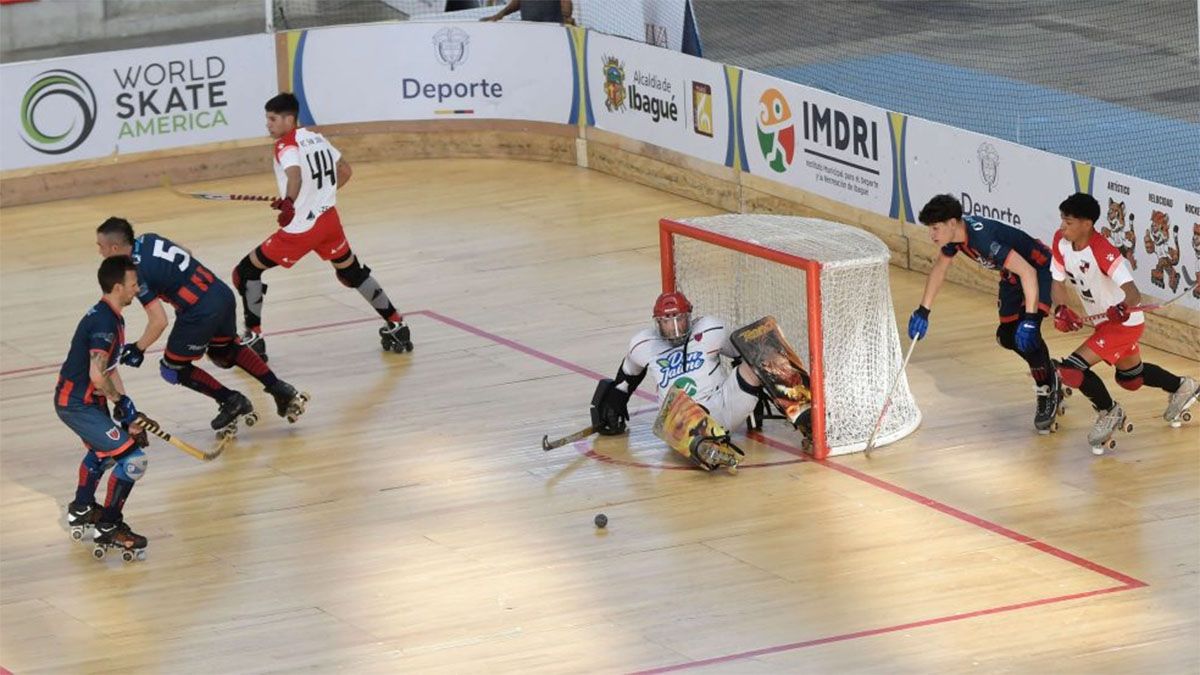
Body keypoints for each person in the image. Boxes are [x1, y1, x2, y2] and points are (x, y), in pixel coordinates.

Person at [232, 93, 411, 361]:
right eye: (267, 119)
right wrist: (316, 196)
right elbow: (346, 171)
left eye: (272, 119)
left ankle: (254, 338)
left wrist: (291, 203)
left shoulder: (285, 145)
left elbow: (295, 175)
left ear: (289, 119)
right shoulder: (316, 138)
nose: (268, 125)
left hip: (302, 230)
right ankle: (397, 325)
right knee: (352, 272)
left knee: (244, 272)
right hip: (329, 221)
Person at [96, 217, 307, 437]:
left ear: (115, 248)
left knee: (172, 369)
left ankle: (231, 400)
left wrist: (138, 348)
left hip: (199, 310)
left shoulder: (135, 274)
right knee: (224, 351)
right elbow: (186, 251)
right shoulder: (149, 238)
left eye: (101, 247)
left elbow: (158, 321)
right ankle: (280, 389)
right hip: (220, 293)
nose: (100, 252)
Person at [589, 290, 809, 469]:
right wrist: (613, 404)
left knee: (761, 351)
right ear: (657, 322)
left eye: (680, 319)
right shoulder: (642, 344)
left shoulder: (711, 328)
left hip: (723, 404)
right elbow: (626, 379)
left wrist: (764, 388)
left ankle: (808, 417)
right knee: (676, 407)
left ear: (690, 316)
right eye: (667, 320)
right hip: (679, 419)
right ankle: (707, 448)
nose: (674, 327)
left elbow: (742, 355)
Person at [1050, 192, 1199, 451]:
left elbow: (1133, 293)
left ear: (1087, 224)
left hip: (1124, 324)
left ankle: (1109, 411)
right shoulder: (1060, 241)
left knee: (1072, 369)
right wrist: (1061, 309)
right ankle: (1182, 386)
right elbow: (1057, 281)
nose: (1063, 226)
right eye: (1062, 219)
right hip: (1103, 324)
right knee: (1131, 378)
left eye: (1069, 221)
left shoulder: (1102, 251)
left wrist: (1122, 307)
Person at [909, 194, 1060, 433]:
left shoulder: (983, 238)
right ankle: (1050, 369)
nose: (932, 235)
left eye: (935, 228)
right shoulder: (955, 237)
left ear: (951, 223)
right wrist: (923, 310)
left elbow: (1029, 272)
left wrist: (1031, 320)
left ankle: (1047, 388)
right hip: (1013, 276)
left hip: (1039, 270)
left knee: (1028, 336)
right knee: (1007, 336)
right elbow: (940, 268)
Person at [58, 256, 149, 558]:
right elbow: (98, 376)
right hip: (78, 404)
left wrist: (129, 413)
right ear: (117, 286)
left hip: (88, 401)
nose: (138, 289)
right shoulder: (104, 322)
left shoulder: (111, 315)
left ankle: (82, 507)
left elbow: (108, 369)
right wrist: (120, 402)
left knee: (104, 453)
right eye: (133, 284)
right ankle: (109, 526)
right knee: (134, 460)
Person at [481, 0, 574, 23]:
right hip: (529, 28)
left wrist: (566, 17)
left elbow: (565, 2)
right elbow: (518, 2)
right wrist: (500, 14)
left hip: (551, 28)